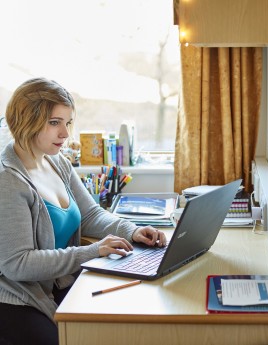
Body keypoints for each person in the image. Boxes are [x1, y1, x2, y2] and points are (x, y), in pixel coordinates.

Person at [0, 77, 167, 345]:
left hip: (57, 283)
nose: (65, 134)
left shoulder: (57, 163)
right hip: (19, 299)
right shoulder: (7, 180)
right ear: (26, 120)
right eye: (54, 122)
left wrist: (132, 231)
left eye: (68, 123)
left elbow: (91, 215)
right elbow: (17, 264)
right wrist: (94, 251)